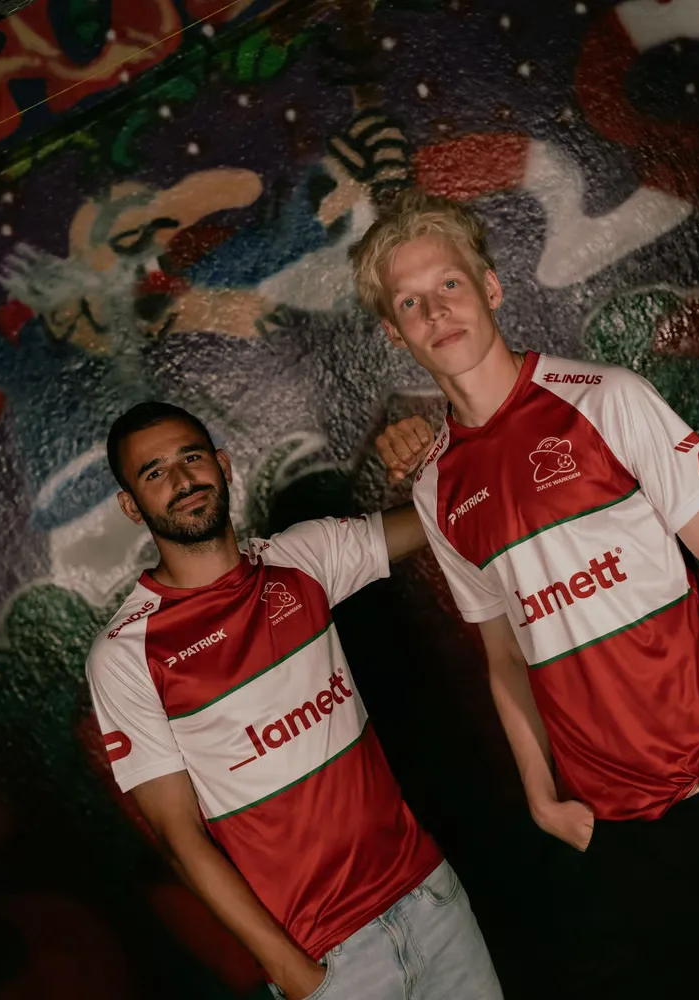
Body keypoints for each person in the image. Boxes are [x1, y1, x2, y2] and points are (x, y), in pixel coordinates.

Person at [349, 189, 699, 991]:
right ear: (394, 332)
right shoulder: (437, 485)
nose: (436, 311)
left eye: (449, 284)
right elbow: (504, 657)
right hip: (612, 825)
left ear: (490, 287)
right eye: (410, 302)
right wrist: (541, 797)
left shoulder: (605, 397)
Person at [85, 401, 503, 1000]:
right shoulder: (126, 653)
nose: (181, 480)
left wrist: (435, 454)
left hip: (432, 901)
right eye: (154, 472)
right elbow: (179, 837)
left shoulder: (299, 559)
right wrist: (291, 971)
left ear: (223, 465)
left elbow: (451, 512)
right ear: (132, 505)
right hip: (328, 962)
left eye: (191, 457)